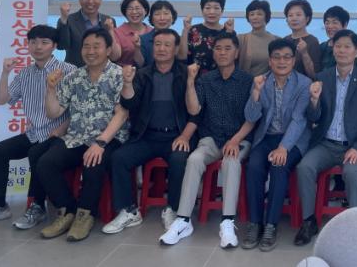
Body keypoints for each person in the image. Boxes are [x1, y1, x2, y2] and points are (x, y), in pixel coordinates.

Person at [0, 25, 75, 229]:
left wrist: (62, 128)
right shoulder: (25, 73)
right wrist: (5, 73)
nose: (38, 47)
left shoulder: (68, 71)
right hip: (35, 133)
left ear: (54, 46)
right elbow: (2, 99)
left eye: (44, 42)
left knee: (36, 154)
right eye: (33, 42)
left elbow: (77, 108)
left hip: (59, 134)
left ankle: (37, 207)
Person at [160, 32, 254, 248]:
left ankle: (227, 222)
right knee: (194, 159)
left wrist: (235, 140)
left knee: (231, 161)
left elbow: (252, 119)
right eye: (218, 48)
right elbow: (194, 110)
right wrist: (190, 82)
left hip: (238, 138)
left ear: (236, 53)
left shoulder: (247, 80)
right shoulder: (205, 79)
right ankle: (183, 220)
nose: (222, 53)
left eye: (227, 48)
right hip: (211, 138)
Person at [38, 28, 129, 241]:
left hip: (110, 137)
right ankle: (67, 210)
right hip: (77, 136)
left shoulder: (119, 75)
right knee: (46, 163)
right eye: (86, 46)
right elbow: (54, 112)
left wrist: (100, 143)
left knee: (93, 163)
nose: (90, 51)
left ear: (108, 50)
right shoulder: (74, 77)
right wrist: (50, 89)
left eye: (96, 46)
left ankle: (85, 215)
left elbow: (122, 113)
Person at [102, 29, 196, 235]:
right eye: (157, 44)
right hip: (146, 136)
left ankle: (173, 209)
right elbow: (130, 104)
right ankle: (129, 211)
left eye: (167, 45)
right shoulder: (142, 74)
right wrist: (127, 83)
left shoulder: (185, 74)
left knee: (180, 160)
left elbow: (195, 113)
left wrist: (184, 136)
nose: (161, 49)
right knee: (119, 158)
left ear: (176, 49)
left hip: (175, 136)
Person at [294, 29, 357, 246]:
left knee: (352, 173)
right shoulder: (322, 77)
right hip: (325, 143)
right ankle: (309, 221)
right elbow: (313, 117)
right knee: (304, 167)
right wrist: (314, 101)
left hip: (351, 145)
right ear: (333, 49)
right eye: (338, 46)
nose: (342, 50)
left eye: (347, 47)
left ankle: (356, 223)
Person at [242, 38, 312, 251]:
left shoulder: (304, 84)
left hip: (293, 140)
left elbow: (299, 120)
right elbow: (251, 117)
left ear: (293, 60)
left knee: (279, 167)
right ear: (270, 61)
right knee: (254, 167)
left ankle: (271, 225)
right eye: (277, 57)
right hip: (266, 138)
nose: (282, 61)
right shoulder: (261, 81)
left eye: (287, 57)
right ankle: (255, 223)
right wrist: (255, 93)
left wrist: (283, 147)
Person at [57, 0, 116, 67]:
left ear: (101, 0)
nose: (90, 1)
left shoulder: (109, 21)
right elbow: (62, 46)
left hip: (102, 71)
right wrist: (63, 18)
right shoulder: (68, 20)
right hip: (75, 70)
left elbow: (113, 50)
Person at [179, 0, 234, 74]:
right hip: (195, 79)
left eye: (216, 8)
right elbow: (182, 57)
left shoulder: (228, 31)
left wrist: (229, 32)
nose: (212, 12)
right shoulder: (193, 30)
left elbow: (232, 59)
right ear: (202, 10)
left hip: (222, 79)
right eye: (208, 8)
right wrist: (185, 30)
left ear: (222, 10)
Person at [238, 0, 278, 76]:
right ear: (248, 18)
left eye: (259, 14)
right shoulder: (241, 39)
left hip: (270, 82)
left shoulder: (276, 40)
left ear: (266, 16)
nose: (255, 17)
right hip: (246, 82)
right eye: (252, 14)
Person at [110, 0, 152, 66]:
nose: (134, 12)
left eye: (137, 8)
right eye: (130, 9)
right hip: (123, 71)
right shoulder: (117, 32)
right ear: (125, 12)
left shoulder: (152, 31)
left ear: (145, 11)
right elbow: (114, 57)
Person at [284, 0, 321, 79]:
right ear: (287, 20)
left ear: (307, 18)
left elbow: (314, 74)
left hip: (304, 85)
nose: (294, 18)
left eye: (298, 15)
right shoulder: (285, 40)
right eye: (290, 15)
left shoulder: (312, 41)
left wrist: (304, 53)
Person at [136, 0, 178, 67]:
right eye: (157, 14)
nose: (162, 18)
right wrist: (136, 49)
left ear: (172, 17)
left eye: (166, 13)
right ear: (151, 18)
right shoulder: (143, 39)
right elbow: (140, 65)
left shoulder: (179, 40)